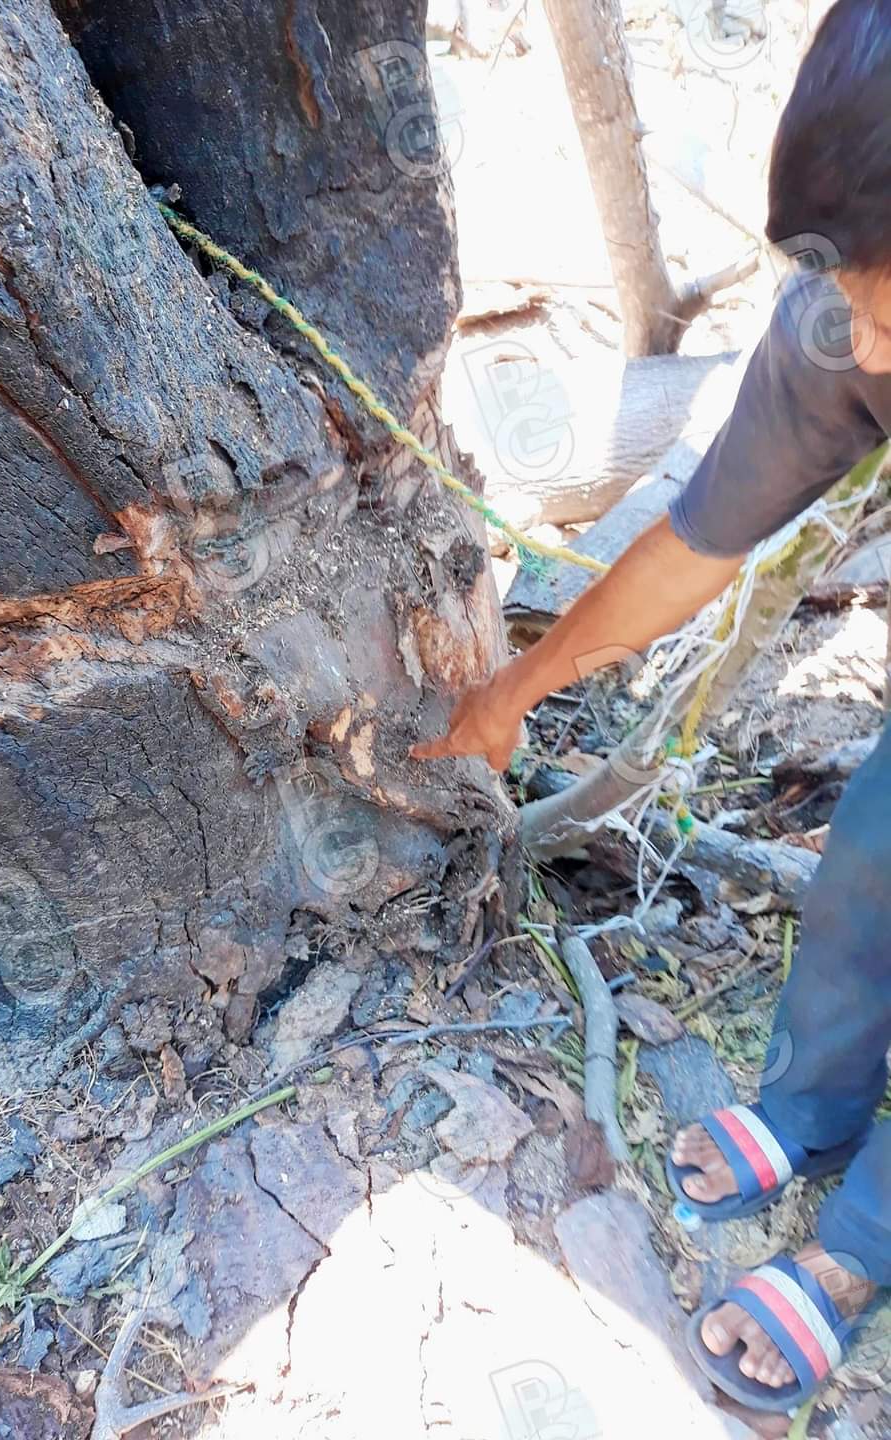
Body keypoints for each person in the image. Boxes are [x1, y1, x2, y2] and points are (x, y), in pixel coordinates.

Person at [412, 0, 891, 1417]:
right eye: (854, 295)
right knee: (869, 862)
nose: (865, 339)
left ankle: (864, 1246)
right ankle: (809, 1109)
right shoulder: (842, 329)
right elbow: (699, 535)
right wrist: (515, 687)